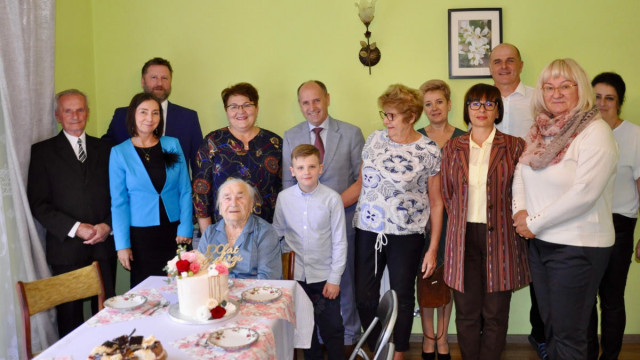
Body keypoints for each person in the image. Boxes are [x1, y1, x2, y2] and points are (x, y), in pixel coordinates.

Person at [512, 58, 619, 360]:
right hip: (542, 244)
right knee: (554, 329)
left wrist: (534, 222)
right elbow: (521, 170)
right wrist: (520, 212)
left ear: (580, 89)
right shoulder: (539, 132)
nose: (556, 93)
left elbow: (583, 194)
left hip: (578, 245)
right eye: (549, 87)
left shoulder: (595, 132)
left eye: (565, 86)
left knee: (570, 335)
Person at [351, 84, 443, 360]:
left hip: (407, 235)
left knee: (402, 297)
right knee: (364, 297)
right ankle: (381, 348)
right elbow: (360, 184)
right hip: (368, 230)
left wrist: (433, 248)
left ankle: (399, 352)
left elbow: (437, 202)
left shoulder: (428, 150)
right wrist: (325, 202)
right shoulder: (374, 140)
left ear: (411, 116)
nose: (385, 120)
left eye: (391, 115)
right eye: (385, 114)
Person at [441, 84, 529, 360]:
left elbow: (523, 191)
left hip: (502, 239)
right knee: (466, 313)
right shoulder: (452, 147)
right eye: (475, 104)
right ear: (466, 109)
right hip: (463, 238)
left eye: (489, 104)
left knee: (495, 313)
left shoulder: (515, 145)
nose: (482, 109)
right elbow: (447, 194)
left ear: (498, 110)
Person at [27, 89, 116, 337]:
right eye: (68, 110)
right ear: (58, 115)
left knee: (108, 313)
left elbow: (119, 196)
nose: (75, 115)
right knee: (70, 320)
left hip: (103, 245)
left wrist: (107, 226)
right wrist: (76, 228)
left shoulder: (107, 150)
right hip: (65, 249)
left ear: (87, 113)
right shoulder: (42, 152)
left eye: (80, 109)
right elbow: (38, 203)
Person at [282, 80, 364, 348]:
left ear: (327, 98)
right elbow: (287, 183)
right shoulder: (291, 135)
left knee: (343, 282)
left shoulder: (351, 133)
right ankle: (311, 339)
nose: (312, 107)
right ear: (299, 105)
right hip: (304, 231)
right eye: (305, 102)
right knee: (307, 289)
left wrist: (329, 206)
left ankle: (349, 337)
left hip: (344, 220)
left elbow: (360, 181)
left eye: (316, 100)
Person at [489, 42, 545, 358]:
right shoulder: (482, 100)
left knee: (537, 269)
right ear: (490, 67)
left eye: (510, 60)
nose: (504, 66)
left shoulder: (538, 99)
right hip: (491, 202)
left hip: (534, 198)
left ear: (521, 65)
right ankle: (489, 335)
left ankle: (540, 335)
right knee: (492, 270)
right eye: (498, 61)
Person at [110, 92, 193, 287]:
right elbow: (119, 203)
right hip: (141, 236)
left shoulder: (171, 144)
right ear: (133, 115)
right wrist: (122, 245)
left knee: (182, 288)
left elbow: (185, 189)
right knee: (146, 292)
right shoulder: (119, 153)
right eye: (144, 112)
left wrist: (186, 226)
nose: (150, 118)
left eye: (155, 113)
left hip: (175, 231)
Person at [273, 144, 347, 360]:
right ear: (292, 170)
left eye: (312, 166)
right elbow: (277, 234)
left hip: (324, 279)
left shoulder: (332, 199)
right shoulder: (284, 199)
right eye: (301, 167)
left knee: (332, 328)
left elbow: (340, 242)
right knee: (305, 333)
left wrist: (334, 279)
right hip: (296, 279)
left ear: (320, 169)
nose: (307, 172)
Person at [587, 72, 639, 360]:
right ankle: (588, 354)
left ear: (619, 102)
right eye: (597, 97)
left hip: (620, 224)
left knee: (612, 299)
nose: (602, 103)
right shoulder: (582, 132)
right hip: (586, 224)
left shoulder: (635, 135)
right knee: (585, 299)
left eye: (610, 98)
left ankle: (611, 356)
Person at [416, 79, 464, 360]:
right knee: (424, 279)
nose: (434, 108)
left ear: (449, 104)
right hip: (420, 220)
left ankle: (443, 338)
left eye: (439, 102)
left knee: (449, 278)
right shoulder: (416, 137)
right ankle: (427, 337)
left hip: (454, 220)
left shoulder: (464, 138)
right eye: (428, 104)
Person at [192, 82, 282, 229]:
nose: (241, 111)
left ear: (257, 108)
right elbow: (201, 192)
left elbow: (284, 190)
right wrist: (207, 236)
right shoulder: (212, 141)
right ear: (226, 111)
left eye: (247, 105)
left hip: (266, 231)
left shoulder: (274, 143)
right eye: (233, 106)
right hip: (222, 232)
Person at [102, 57, 203, 171]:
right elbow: (103, 152)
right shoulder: (121, 116)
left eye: (164, 78)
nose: (159, 83)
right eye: (154, 77)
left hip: (176, 188)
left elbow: (199, 163)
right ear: (142, 81)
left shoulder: (189, 118)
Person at [197, 178, 282, 279]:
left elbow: (268, 278)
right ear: (220, 207)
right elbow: (201, 273)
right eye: (227, 198)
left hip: (254, 293)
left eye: (240, 197)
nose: (233, 204)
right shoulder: (209, 233)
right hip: (216, 292)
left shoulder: (265, 232)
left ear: (251, 204)